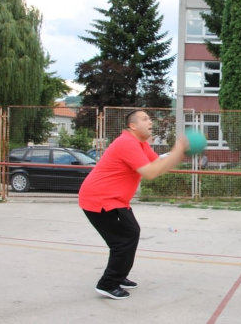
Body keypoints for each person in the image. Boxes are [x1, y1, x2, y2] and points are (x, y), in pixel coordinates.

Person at [79, 109, 188, 300]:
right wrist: (177, 152)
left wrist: (176, 154)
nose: (150, 122)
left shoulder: (140, 144)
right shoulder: (127, 143)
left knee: (128, 235)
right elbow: (150, 173)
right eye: (145, 119)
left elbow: (157, 163)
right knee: (124, 238)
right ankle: (107, 283)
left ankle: (118, 276)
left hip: (114, 200)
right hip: (100, 199)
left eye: (150, 119)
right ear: (133, 126)